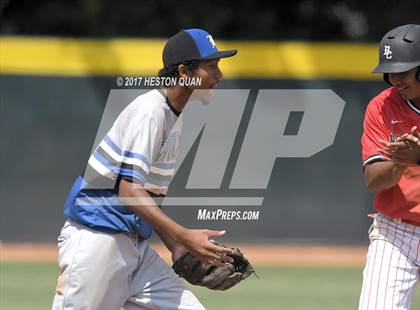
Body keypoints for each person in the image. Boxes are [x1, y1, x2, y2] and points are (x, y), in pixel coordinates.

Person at [51, 28, 237, 310]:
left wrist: (176, 245)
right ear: (185, 72)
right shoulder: (150, 112)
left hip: (133, 248)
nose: (219, 74)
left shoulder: (172, 118)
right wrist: (183, 235)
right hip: (97, 243)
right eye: (211, 66)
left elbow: (145, 195)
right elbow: (128, 191)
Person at [358, 24, 420, 310]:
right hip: (397, 234)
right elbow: (373, 180)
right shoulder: (382, 107)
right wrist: (399, 160)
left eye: (404, 70)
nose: (396, 79)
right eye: (390, 71)